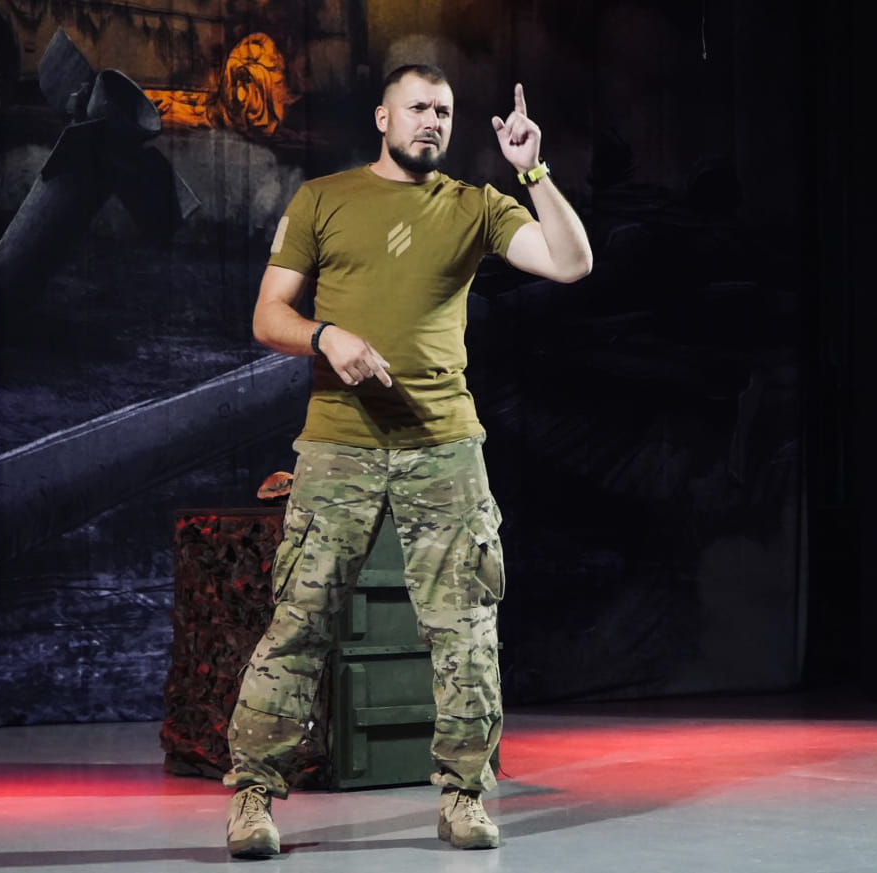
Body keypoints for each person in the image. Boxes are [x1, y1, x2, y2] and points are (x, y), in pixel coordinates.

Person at [223, 63, 593, 857]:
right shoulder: (324, 199)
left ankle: (463, 795)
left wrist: (532, 171)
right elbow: (268, 314)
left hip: (444, 447)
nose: (432, 120)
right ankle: (252, 795)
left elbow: (570, 263)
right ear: (383, 118)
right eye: (418, 107)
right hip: (339, 445)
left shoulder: (475, 205)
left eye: (445, 111)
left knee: (466, 632)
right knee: (299, 624)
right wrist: (327, 336)